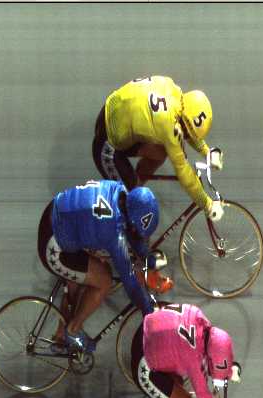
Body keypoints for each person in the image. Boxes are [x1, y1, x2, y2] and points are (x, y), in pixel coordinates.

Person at [92, 75, 225, 293]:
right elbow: (183, 171)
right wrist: (206, 203)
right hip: (108, 146)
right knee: (138, 211)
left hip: (114, 116)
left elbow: (187, 128)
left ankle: (134, 187)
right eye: (186, 132)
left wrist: (206, 151)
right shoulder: (168, 125)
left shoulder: (174, 91)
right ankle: (143, 270)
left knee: (160, 153)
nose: (186, 136)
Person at [37, 179, 163, 354]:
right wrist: (147, 310)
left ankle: (61, 332)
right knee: (104, 280)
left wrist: (147, 257)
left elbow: (132, 232)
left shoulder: (119, 188)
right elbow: (130, 283)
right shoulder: (113, 233)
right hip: (54, 246)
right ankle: (72, 331)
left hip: (58, 214)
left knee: (86, 273)